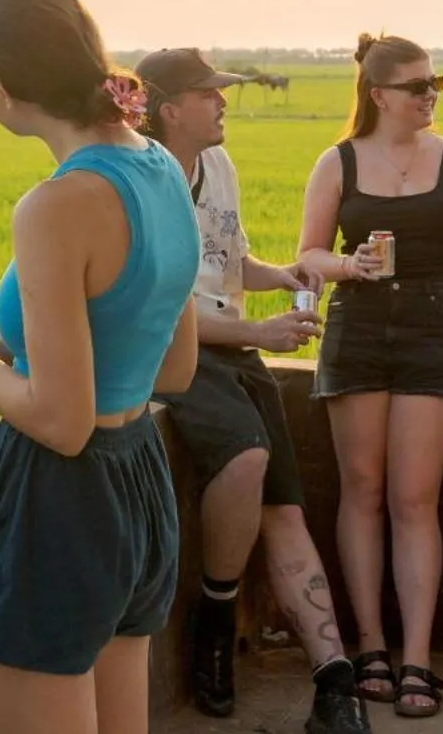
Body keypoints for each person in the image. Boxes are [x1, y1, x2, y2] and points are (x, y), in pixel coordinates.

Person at [0, 0, 200, 734]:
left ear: (0, 89)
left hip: (55, 501)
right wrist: (7, 345)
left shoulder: (57, 205)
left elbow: (62, 424)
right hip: (138, 480)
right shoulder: (163, 169)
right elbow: (172, 365)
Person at [136, 47, 370, 734]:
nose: (223, 102)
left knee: (284, 507)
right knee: (246, 458)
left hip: (230, 349)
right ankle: (217, 617)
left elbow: (230, 262)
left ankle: (335, 680)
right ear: (169, 108)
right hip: (172, 355)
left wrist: (288, 275)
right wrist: (258, 333)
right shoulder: (138, 183)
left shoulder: (220, 167)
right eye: (209, 93)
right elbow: (159, 310)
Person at [295, 33, 443, 720]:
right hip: (357, 326)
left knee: (414, 497)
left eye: (435, 82)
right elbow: (309, 255)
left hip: (436, 327)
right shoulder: (339, 161)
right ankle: (371, 648)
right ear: (378, 94)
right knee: (362, 488)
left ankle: (418, 657)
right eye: (416, 86)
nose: (430, 95)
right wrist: (349, 265)